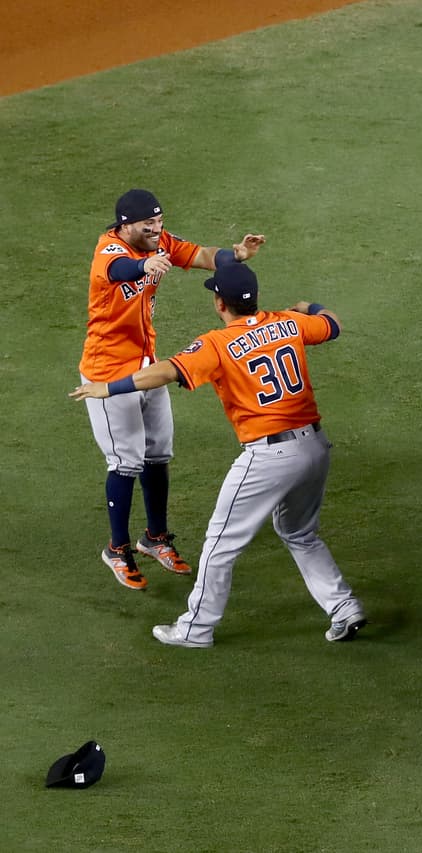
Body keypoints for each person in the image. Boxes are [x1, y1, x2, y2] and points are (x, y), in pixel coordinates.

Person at [70, 263, 363, 647]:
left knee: (220, 544)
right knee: (299, 532)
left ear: (219, 303)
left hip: (269, 456)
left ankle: (196, 629)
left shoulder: (216, 344)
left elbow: (164, 372)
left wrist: (109, 388)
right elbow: (333, 324)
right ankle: (344, 608)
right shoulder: (290, 323)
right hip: (315, 447)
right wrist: (311, 306)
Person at [80, 189, 264, 590]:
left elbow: (201, 255)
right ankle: (117, 548)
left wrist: (236, 257)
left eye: (160, 224)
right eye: (149, 226)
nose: (157, 231)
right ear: (126, 224)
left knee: (158, 455)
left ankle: (155, 539)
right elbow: (121, 271)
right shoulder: (109, 251)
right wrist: (146, 265)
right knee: (125, 463)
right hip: (107, 374)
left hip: (147, 366)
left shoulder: (157, 242)